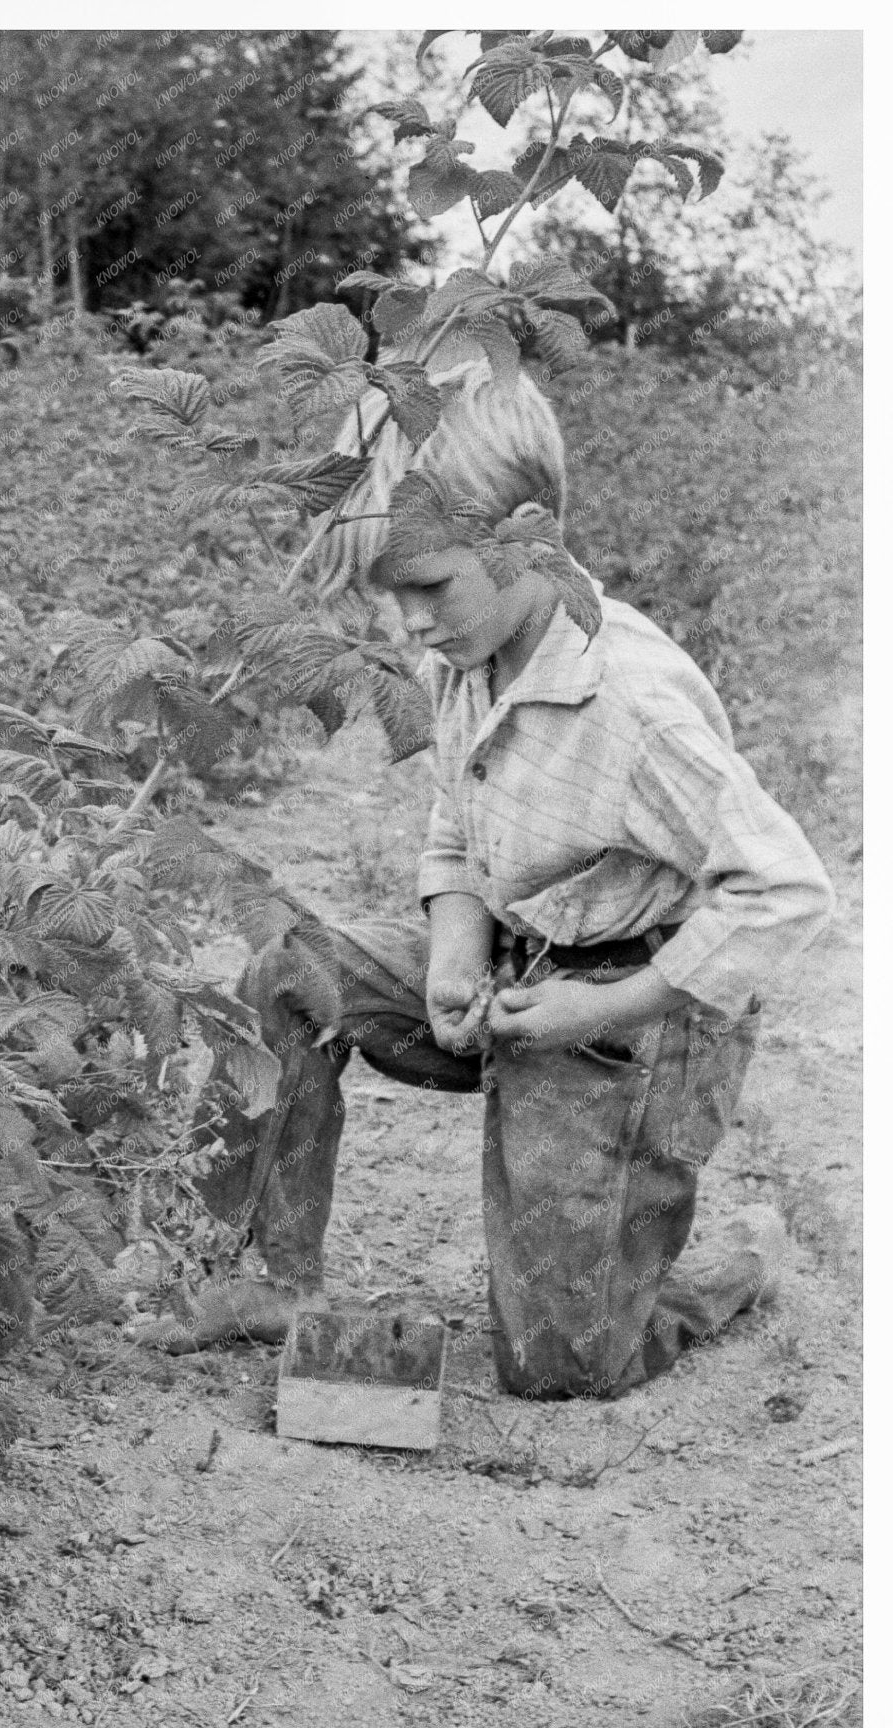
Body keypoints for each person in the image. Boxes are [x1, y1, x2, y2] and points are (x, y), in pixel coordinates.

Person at [192, 356, 834, 1399]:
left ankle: (726, 1263)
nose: (406, 625)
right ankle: (272, 1276)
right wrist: (455, 952)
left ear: (527, 533)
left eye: (428, 588)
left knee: (559, 1363)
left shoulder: (630, 703)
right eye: (386, 597)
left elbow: (785, 888)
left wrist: (603, 1003)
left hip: (639, 1020)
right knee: (287, 971)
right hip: (522, 966)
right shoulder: (467, 652)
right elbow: (455, 817)